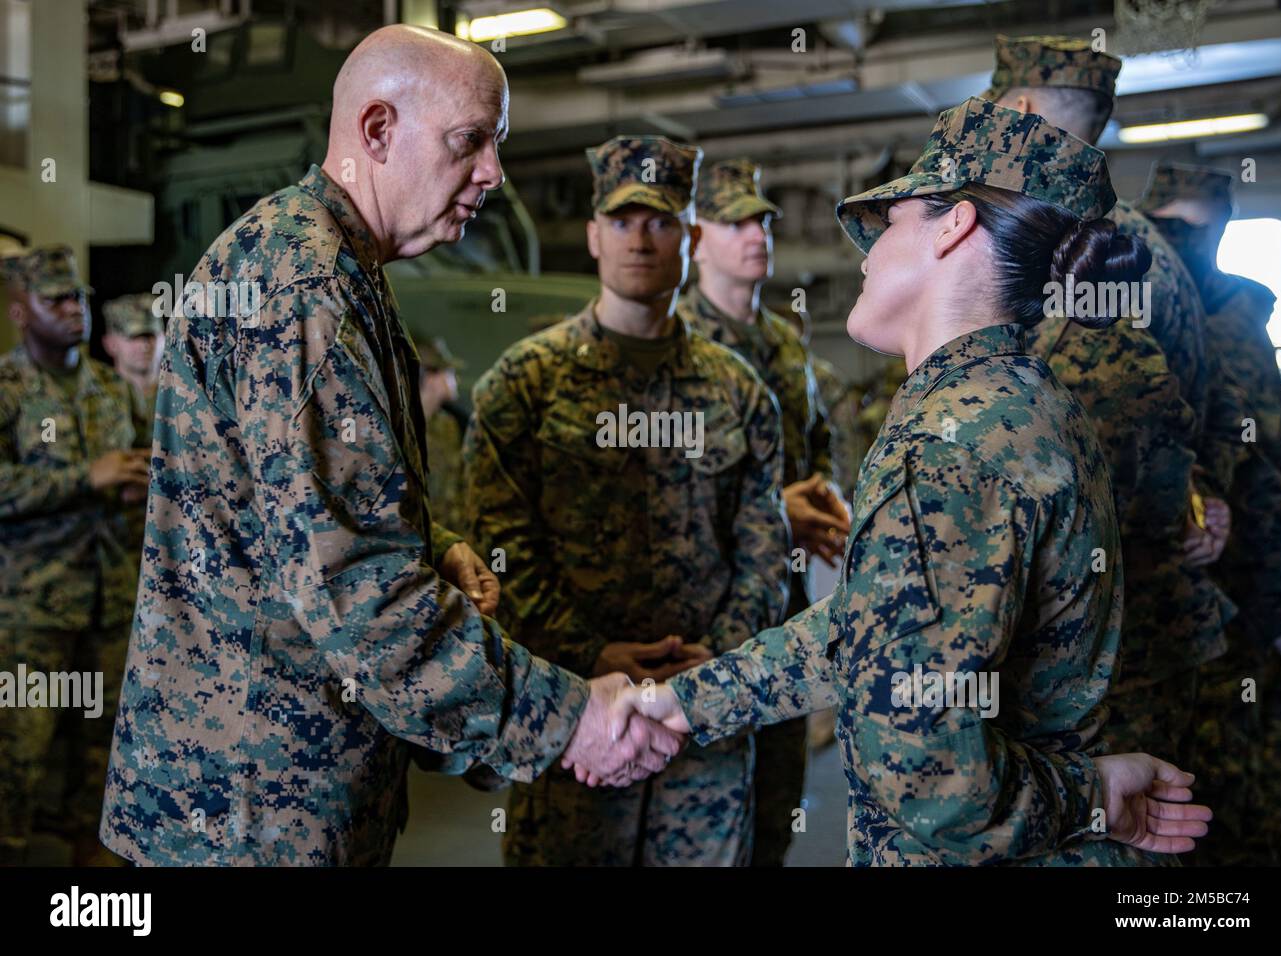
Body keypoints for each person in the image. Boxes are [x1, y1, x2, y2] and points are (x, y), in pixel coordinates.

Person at [98, 26, 680, 867]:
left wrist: (430, 546)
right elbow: (356, 586)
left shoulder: (331, 266)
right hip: (252, 812)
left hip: (271, 790)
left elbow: (298, 514)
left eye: (497, 144)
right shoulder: (305, 287)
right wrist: (567, 719)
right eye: (469, 142)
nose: (493, 174)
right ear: (377, 131)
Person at [579, 98, 1214, 866]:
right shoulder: (1007, 402)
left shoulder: (954, 446)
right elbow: (880, 626)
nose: (867, 249)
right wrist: (679, 704)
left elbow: (930, 776)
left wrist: (1092, 798)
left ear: (953, 226)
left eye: (894, 218)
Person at [466, 136, 788, 866]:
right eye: (621, 220)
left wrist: (717, 661)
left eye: (662, 220)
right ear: (591, 236)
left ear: (691, 236)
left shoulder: (739, 391)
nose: (640, 239)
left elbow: (768, 550)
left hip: (703, 727)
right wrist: (590, 653)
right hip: (578, 723)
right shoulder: (525, 384)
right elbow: (498, 551)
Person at [982, 33, 1231, 772]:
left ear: (1018, 109)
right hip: (1152, 625)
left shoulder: (1014, 238)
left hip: (1046, 624)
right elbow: (1202, 412)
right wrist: (1203, 503)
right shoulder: (1151, 251)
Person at [675, 157, 849, 865]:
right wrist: (777, 512)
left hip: (782, 609)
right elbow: (663, 493)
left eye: (763, 220)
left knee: (776, 807)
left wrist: (824, 502)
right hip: (703, 616)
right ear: (698, 239)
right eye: (735, 220)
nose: (756, 233)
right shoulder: (676, 341)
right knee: (703, 818)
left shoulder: (783, 340)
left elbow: (815, 448)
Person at [1139, 162, 1281, 865]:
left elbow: (1267, 473)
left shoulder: (1227, 321)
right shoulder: (1178, 312)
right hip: (1194, 612)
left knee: (1225, 801)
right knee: (1209, 803)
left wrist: (1279, 597)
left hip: (1233, 608)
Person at [0, 246, 147, 865]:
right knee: (17, 763)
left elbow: (137, 460)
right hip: (33, 613)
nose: (73, 309)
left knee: (105, 767)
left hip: (109, 602)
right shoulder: (7, 389)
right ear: (19, 311)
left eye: (79, 297)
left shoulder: (110, 387)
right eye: (55, 298)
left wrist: (138, 481)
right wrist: (85, 478)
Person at [101, 292, 165, 563]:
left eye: (150, 336)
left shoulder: (185, 395)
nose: (144, 346)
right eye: (133, 337)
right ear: (111, 343)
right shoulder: (94, 399)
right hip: (113, 541)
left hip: (171, 533)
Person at [415, 335, 468, 535]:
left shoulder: (448, 424)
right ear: (430, 377)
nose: (455, 379)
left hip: (450, 534)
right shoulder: (398, 426)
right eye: (449, 373)